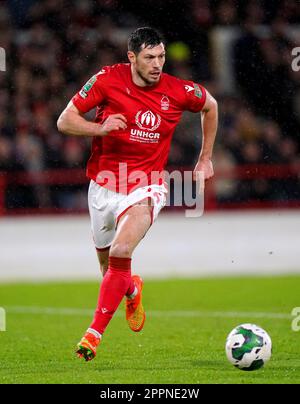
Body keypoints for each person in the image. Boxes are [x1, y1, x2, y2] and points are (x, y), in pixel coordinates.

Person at [57, 27, 218, 362]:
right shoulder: (106, 80)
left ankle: (92, 335)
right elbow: (65, 120)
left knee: (122, 248)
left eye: (160, 56)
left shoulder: (178, 90)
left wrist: (205, 158)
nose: (157, 64)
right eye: (149, 58)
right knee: (111, 271)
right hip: (102, 186)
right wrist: (98, 127)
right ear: (131, 57)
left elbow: (211, 105)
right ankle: (132, 288)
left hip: (147, 186)